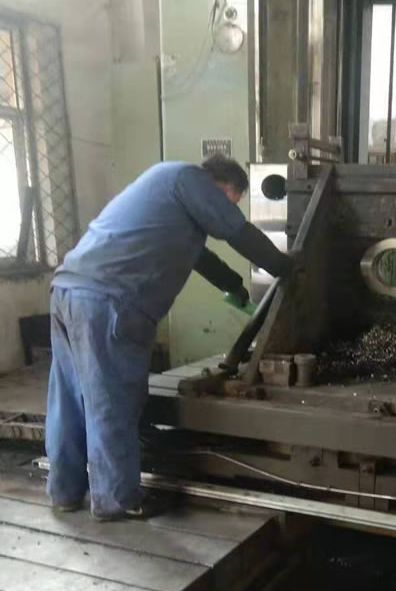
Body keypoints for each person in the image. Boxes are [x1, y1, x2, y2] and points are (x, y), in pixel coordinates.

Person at [46, 155, 294, 521]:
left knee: (70, 398)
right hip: (108, 302)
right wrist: (286, 267)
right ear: (220, 185)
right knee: (112, 401)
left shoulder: (166, 187)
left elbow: (200, 258)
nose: (229, 207)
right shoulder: (188, 178)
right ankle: (117, 499)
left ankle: (65, 491)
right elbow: (237, 231)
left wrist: (232, 284)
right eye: (232, 199)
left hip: (70, 290)